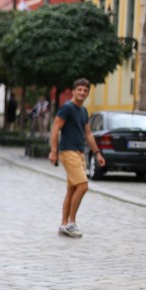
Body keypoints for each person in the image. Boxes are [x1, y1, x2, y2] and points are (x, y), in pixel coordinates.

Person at [50, 78, 105, 238]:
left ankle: (64, 225)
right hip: (68, 152)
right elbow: (55, 128)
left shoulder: (83, 111)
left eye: (85, 90)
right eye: (79, 89)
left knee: (72, 189)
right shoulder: (67, 108)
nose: (82, 93)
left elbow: (88, 134)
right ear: (73, 91)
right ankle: (71, 223)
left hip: (79, 153)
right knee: (83, 186)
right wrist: (53, 151)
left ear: (88, 93)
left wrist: (97, 153)